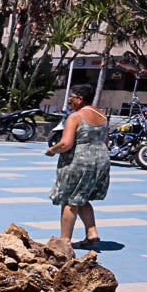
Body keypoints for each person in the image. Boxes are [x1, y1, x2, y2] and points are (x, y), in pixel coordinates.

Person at [45, 83, 110, 248]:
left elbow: (66, 143)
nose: (70, 102)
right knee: (82, 197)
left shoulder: (75, 117)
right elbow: (106, 140)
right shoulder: (102, 115)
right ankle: (92, 232)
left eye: (71, 98)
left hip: (79, 161)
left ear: (80, 99)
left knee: (70, 200)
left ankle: (65, 240)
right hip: (101, 159)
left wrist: (53, 150)